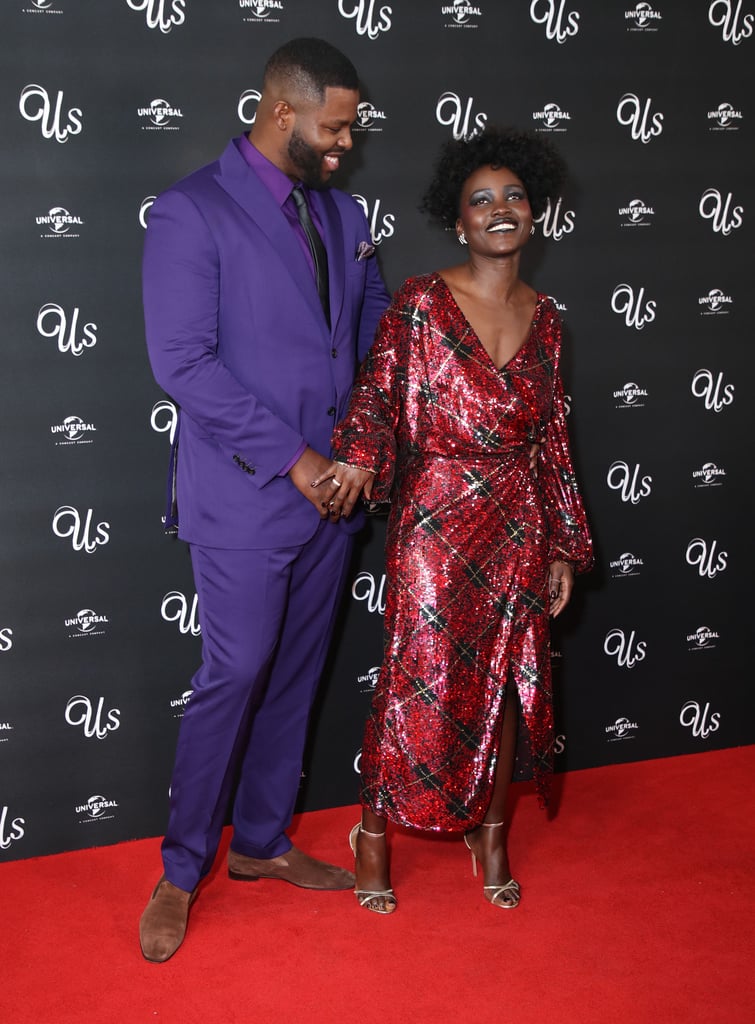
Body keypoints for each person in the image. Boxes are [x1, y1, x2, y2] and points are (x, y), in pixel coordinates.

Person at [139, 37, 390, 961]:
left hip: (335, 497)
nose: (345, 144)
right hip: (251, 494)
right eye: (334, 127)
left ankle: (260, 844)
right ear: (282, 111)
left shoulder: (343, 211)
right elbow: (183, 366)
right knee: (234, 676)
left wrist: (358, 453)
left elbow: (369, 329)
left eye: (350, 129)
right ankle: (178, 869)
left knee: (295, 675)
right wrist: (297, 461)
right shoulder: (189, 212)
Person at [313, 127, 593, 913]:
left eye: (512, 197)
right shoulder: (422, 303)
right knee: (412, 683)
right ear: (458, 221)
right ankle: (372, 836)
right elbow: (374, 396)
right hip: (435, 519)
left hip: (518, 522)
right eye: (481, 201)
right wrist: (359, 461)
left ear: (532, 214)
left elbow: (552, 439)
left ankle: (490, 833)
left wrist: (563, 544)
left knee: (506, 681)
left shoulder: (548, 319)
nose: (499, 210)